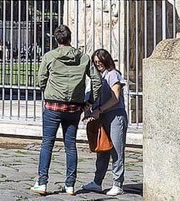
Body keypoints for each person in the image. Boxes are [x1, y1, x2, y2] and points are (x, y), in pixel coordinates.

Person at [31, 25, 99, 196]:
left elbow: (41, 78)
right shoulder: (83, 58)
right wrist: (90, 100)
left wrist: (46, 91)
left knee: (47, 143)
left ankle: (42, 182)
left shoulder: (49, 56)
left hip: (53, 106)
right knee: (70, 146)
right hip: (74, 107)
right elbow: (97, 81)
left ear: (56, 39)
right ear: (70, 38)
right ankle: (70, 184)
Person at [84, 49, 128, 196]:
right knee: (102, 149)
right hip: (102, 116)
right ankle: (97, 182)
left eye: (100, 61)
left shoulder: (113, 74)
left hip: (115, 116)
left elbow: (115, 98)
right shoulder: (98, 77)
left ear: (106, 60)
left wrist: (100, 110)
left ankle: (117, 184)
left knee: (116, 150)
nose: (98, 64)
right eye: (95, 62)